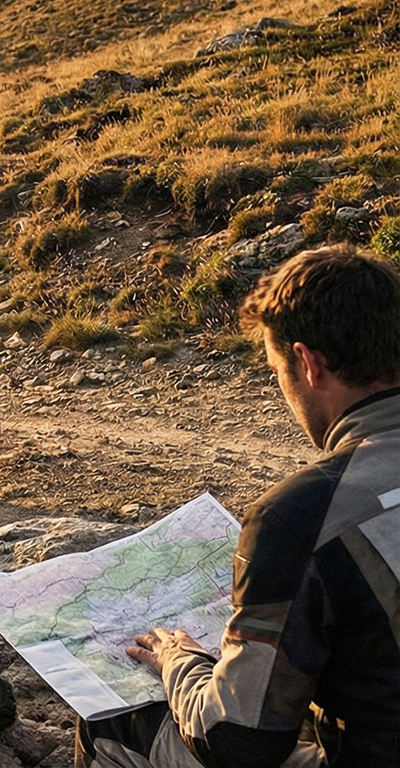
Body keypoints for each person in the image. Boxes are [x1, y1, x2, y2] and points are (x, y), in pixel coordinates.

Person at [76, 245, 400, 767]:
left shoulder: (300, 517)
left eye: (278, 370)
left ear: (309, 364)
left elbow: (238, 741)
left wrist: (178, 661)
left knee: (113, 721)